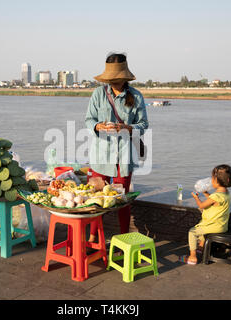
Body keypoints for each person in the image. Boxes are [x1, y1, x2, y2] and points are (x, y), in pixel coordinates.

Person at [85, 52, 149, 243]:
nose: (113, 82)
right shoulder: (98, 94)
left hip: (123, 156)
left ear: (123, 78)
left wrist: (127, 127)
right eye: (110, 79)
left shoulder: (136, 96)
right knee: (95, 199)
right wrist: (98, 126)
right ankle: (92, 237)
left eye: (116, 79)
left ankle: (123, 239)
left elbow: (143, 125)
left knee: (122, 201)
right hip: (100, 155)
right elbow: (89, 119)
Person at [179, 164, 231, 265]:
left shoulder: (216, 196)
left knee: (192, 232)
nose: (210, 181)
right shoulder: (226, 193)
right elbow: (214, 201)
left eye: (212, 179)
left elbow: (202, 205)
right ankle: (200, 248)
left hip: (213, 226)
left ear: (216, 181)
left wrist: (196, 197)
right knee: (202, 228)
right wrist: (205, 193)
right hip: (222, 226)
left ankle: (192, 257)